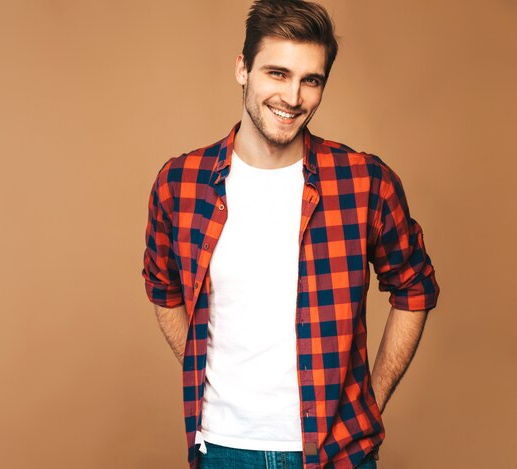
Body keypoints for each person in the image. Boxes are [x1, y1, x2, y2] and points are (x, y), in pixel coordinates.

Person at [141, 1, 440, 468]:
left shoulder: (364, 181)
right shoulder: (181, 183)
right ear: (243, 68)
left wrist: (368, 403)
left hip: (338, 453)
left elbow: (415, 288)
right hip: (222, 451)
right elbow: (162, 288)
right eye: (277, 74)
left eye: (311, 80)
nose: (293, 97)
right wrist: (206, 370)